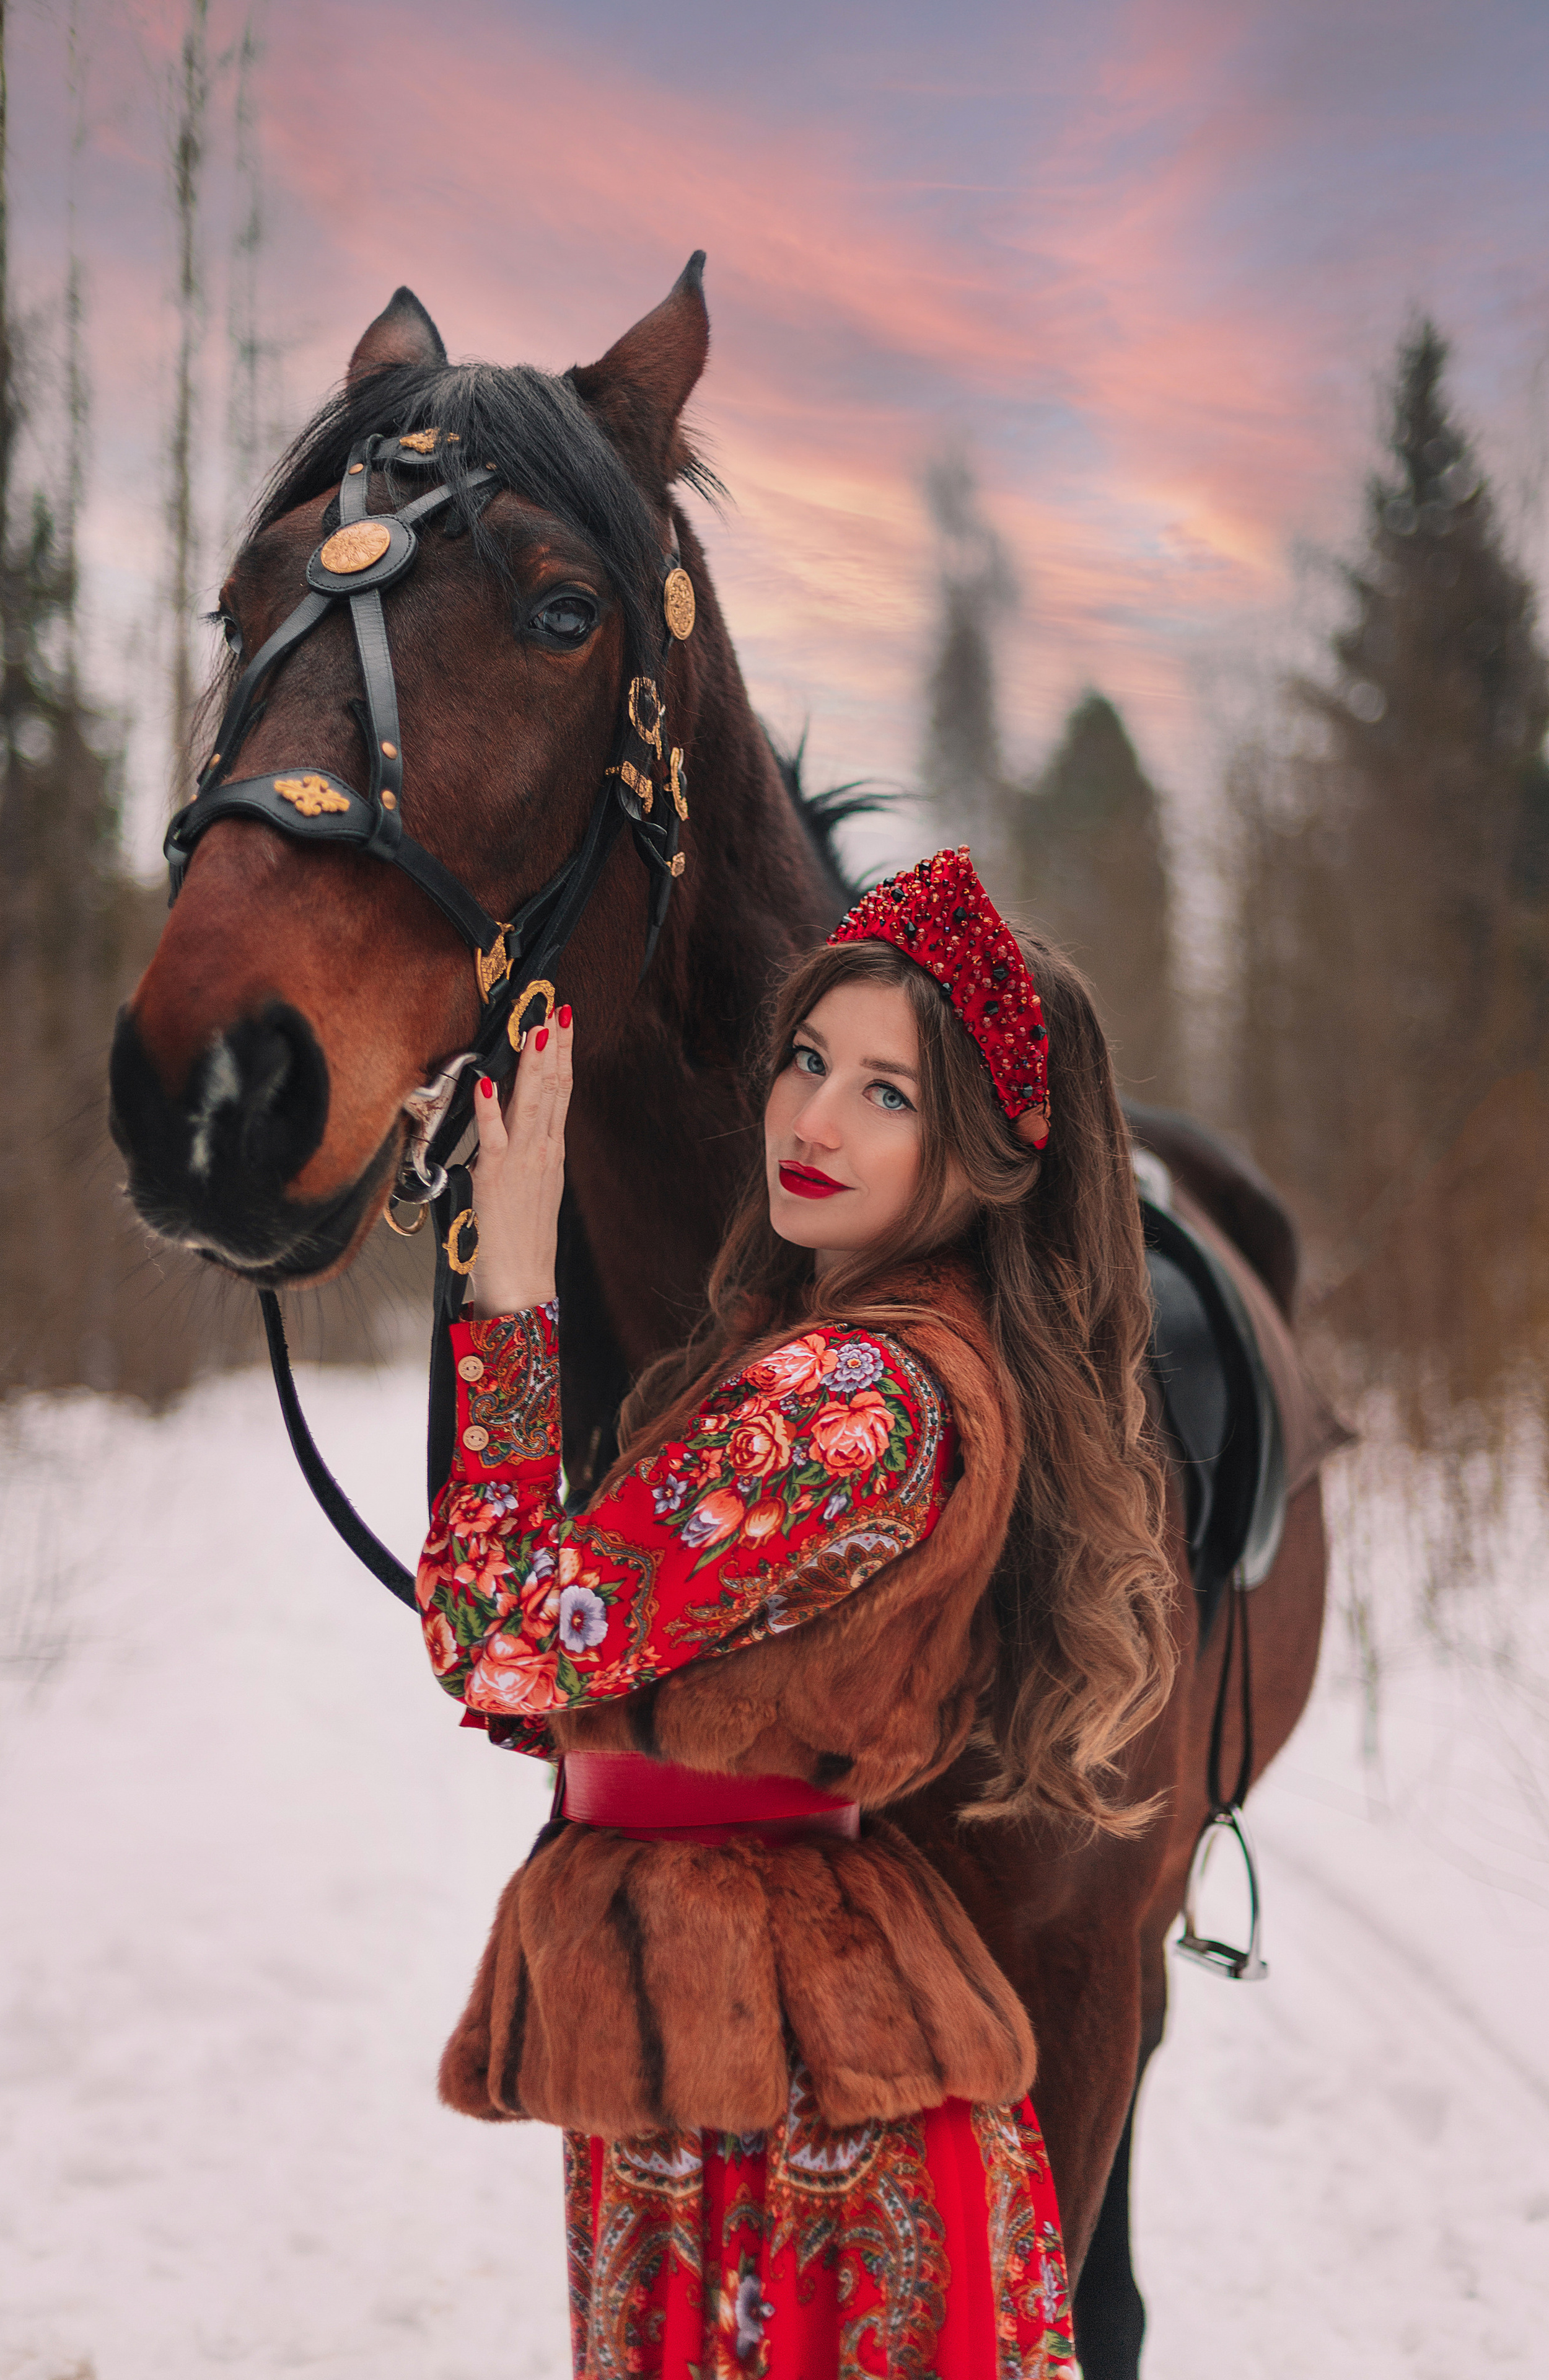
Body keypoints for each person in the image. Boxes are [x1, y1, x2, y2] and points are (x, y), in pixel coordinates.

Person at [416, 847, 1175, 2380]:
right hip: (742, 2054)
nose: (814, 1120)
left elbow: (502, 1637)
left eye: (889, 1095)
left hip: (790, 2102)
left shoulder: (848, 1398)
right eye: (808, 1061)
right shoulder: (838, 1355)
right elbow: (559, 1675)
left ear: (980, 1154)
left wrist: (509, 1279)